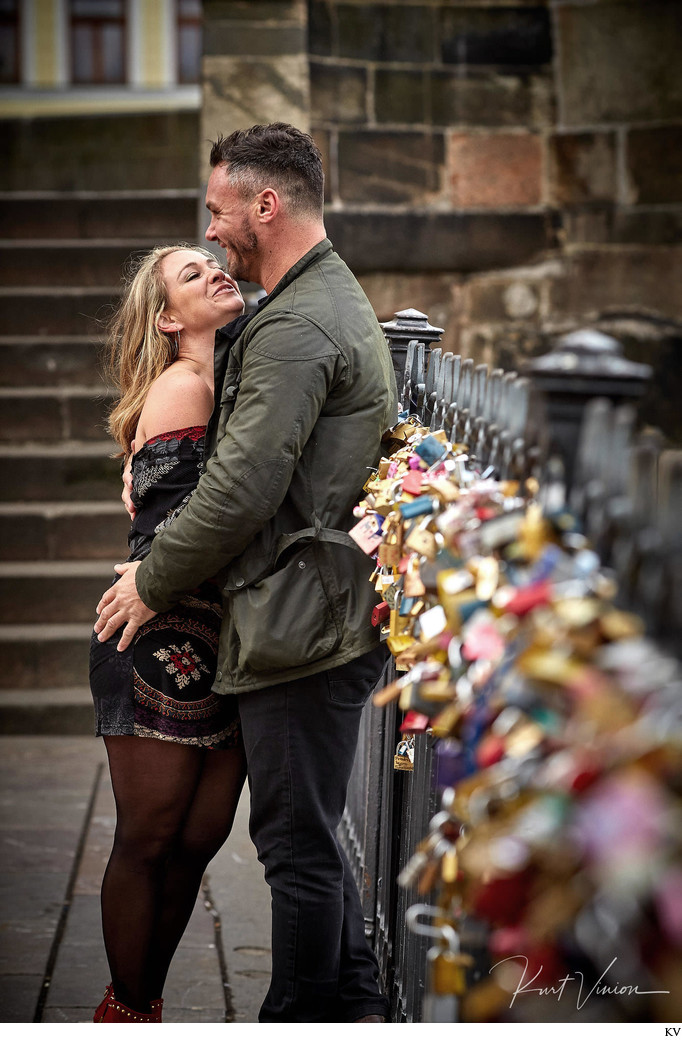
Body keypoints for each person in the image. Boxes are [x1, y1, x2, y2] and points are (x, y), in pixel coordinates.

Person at [94, 122, 399, 1023]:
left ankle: (315, 1012)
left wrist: (149, 580)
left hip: (294, 616)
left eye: (220, 214)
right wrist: (150, 463)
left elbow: (240, 489)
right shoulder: (301, 305)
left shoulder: (295, 320)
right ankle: (345, 1003)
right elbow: (213, 466)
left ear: (265, 204)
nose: (215, 233)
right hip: (272, 614)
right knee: (287, 840)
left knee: (294, 848)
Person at [89, 244, 248, 1023]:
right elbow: (179, 528)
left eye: (217, 262)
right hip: (158, 636)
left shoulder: (232, 378)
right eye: (193, 274)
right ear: (166, 317)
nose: (218, 270)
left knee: (199, 839)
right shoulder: (185, 386)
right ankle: (125, 1010)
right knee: (149, 839)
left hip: (229, 639)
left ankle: (143, 998)